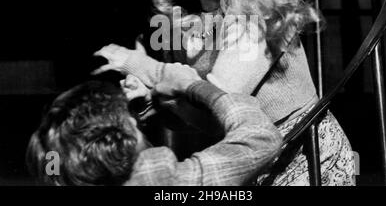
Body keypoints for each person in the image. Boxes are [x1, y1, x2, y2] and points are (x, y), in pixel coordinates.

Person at [93, 0, 355, 185]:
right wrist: (150, 101)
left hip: (305, 159)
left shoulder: (254, 15)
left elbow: (215, 107)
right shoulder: (188, 15)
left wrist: (137, 65)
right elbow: (187, 115)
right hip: (250, 160)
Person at [26, 62, 282, 186]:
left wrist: (143, 110)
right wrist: (193, 86)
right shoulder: (159, 180)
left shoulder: (69, 173)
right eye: (132, 124)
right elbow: (259, 139)